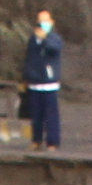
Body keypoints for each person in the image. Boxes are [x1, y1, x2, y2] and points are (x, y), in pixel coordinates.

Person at [20, 10, 64, 149]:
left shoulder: (55, 38)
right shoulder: (33, 39)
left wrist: (45, 38)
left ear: (51, 23)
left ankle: (52, 142)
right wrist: (25, 78)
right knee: (35, 115)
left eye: (45, 23)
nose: (42, 25)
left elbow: (54, 49)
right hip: (34, 83)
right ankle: (36, 140)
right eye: (40, 23)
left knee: (51, 116)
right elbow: (29, 59)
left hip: (49, 84)